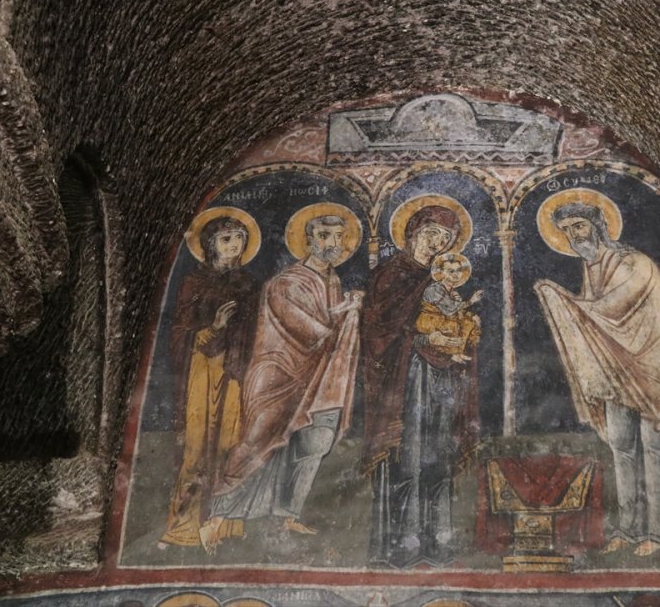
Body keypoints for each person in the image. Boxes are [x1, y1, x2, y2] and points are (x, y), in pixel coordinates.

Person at [534, 201, 660, 557]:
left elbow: (612, 309)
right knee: (621, 445)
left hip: (656, 362)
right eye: (567, 230)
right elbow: (595, 326)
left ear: (598, 225)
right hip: (615, 368)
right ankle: (629, 528)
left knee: (654, 447)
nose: (574, 236)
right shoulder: (590, 270)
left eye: (579, 226)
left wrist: (562, 300)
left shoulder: (634, 263)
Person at [200, 213, 363, 552]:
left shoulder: (332, 281)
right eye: (324, 235)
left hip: (319, 376)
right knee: (257, 442)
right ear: (309, 239)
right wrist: (345, 312)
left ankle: (287, 514)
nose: (332, 243)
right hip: (277, 374)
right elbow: (307, 330)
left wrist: (349, 310)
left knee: (316, 441)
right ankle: (215, 516)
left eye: (338, 236)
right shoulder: (285, 283)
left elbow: (330, 333)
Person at [361, 204, 480, 568]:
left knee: (439, 456)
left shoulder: (442, 283)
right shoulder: (390, 275)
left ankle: (438, 542)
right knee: (409, 457)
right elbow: (377, 332)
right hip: (405, 379)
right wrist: (425, 337)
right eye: (431, 234)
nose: (436, 244)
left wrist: (465, 332)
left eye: (445, 239)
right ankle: (403, 544)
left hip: (442, 378)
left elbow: (458, 325)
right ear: (413, 233)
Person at [159, 212, 260, 549]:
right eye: (226, 239)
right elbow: (179, 333)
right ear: (211, 245)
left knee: (232, 443)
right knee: (196, 447)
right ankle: (184, 527)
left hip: (235, 371)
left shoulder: (249, 285)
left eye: (239, 239)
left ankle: (225, 527)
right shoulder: (194, 282)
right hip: (202, 369)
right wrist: (214, 328)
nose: (234, 246)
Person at [414, 252, 483, 365]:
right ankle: (451, 354)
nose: (456, 274)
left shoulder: (453, 292)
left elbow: (457, 310)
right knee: (454, 327)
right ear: (442, 273)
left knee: (469, 323)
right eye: (451, 271)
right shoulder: (434, 289)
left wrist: (471, 316)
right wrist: (471, 301)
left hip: (444, 322)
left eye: (458, 270)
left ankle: (456, 353)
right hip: (430, 323)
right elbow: (449, 309)